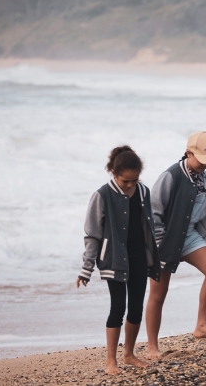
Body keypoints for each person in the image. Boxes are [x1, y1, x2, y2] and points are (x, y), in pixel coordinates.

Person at [77, 146, 161, 375]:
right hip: (114, 258)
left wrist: (156, 255)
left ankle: (129, 354)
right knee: (117, 308)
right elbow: (92, 234)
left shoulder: (143, 191)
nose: (130, 185)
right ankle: (110, 361)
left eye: (134, 180)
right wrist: (87, 268)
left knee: (135, 308)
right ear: (113, 172)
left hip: (139, 258)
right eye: (126, 181)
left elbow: (149, 227)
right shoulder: (102, 195)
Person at [145, 131, 206, 360]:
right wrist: (160, 246)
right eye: (201, 160)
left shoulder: (205, 178)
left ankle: (202, 324)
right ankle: (152, 346)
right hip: (164, 240)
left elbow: (205, 215)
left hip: (189, 235)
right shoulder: (171, 176)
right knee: (158, 295)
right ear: (189, 152)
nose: (205, 165)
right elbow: (153, 213)